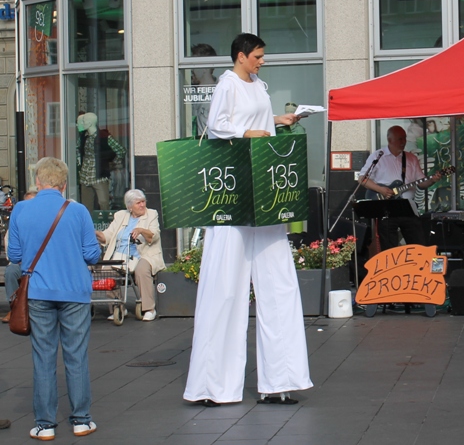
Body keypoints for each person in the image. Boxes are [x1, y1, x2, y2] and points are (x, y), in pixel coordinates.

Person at [183, 33, 312, 407]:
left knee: (279, 284)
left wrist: (276, 120)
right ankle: (213, 384)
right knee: (225, 286)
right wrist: (248, 132)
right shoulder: (227, 84)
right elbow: (218, 125)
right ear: (240, 57)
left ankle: (281, 379)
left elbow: (250, 121)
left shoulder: (258, 85)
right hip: (233, 191)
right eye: (256, 56)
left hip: (263, 189)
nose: (261, 61)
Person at [7, 157, 102, 439]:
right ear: (63, 184)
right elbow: (92, 254)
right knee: (76, 356)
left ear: (38, 181)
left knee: (44, 357)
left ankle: (45, 425)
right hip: (75, 291)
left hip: (37, 292)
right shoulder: (78, 211)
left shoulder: (22, 210)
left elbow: (14, 255)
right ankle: (82, 420)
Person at [357, 125, 444, 252]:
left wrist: (432, 180)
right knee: (388, 246)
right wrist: (381, 190)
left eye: (404, 138)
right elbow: (362, 179)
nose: (403, 142)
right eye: (400, 139)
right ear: (389, 140)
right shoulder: (378, 156)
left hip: (406, 207)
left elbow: (421, 183)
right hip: (386, 208)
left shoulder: (411, 158)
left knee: (418, 243)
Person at [94, 189, 165, 322]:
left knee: (142, 270)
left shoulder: (151, 214)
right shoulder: (121, 215)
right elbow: (107, 236)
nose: (142, 205)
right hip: (121, 255)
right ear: (129, 207)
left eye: (143, 202)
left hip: (143, 254)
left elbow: (154, 236)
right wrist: (96, 233)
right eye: (138, 203)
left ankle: (149, 309)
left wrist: (141, 230)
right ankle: (118, 308)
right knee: (108, 271)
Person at [75, 112, 126, 213]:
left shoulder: (104, 136)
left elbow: (121, 150)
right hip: (85, 174)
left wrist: (112, 162)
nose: (82, 122)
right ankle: (88, 225)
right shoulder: (83, 137)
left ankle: (106, 222)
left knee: (104, 202)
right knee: (86, 204)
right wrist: (79, 162)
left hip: (99, 174)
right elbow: (77, 150)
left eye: (84, 120)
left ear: (90, 123)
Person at [3, 188, 37, 324]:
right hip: (22, 264)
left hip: (42, 264)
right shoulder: (16, 224)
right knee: (11, 271)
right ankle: (15, 308)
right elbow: (11, 253)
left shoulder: (45, 223)